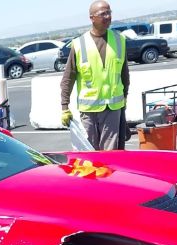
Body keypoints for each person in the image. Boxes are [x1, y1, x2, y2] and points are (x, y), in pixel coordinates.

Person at [60, 0, 131, 150]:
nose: (108, 16)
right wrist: (64, 106)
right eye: (103, 13)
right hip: (89, 109)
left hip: (113, 107)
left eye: (109, 12)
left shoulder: (119, 40)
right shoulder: (79, 44)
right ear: (92, 18)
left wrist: (125, 98)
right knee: (89, 151)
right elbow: (68, 77)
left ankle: (109, 174)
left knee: (110, 151)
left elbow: (124, 73)